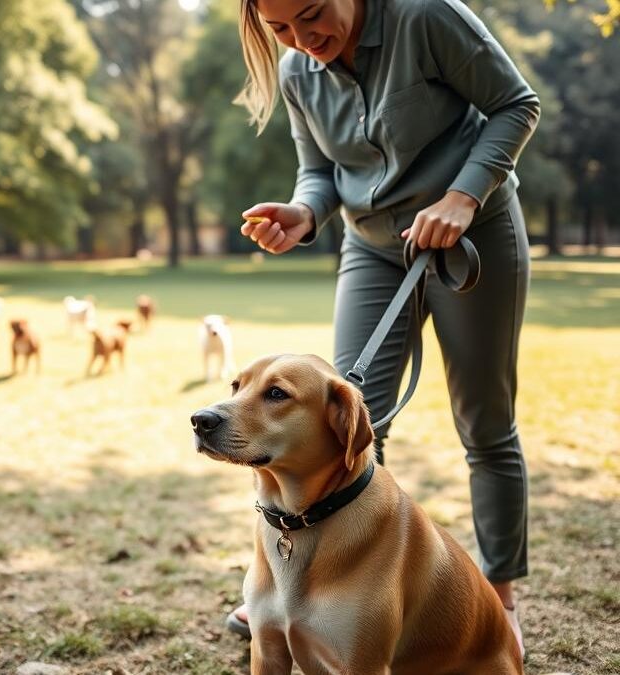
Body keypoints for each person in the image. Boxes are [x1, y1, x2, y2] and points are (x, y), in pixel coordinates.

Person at [230, 0, 540, 658]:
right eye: (280, 29)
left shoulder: (424, 16)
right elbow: (320, 172)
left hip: (471, 236)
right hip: (372, 247)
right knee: (349, 416)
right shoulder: (297, 72)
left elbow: (516, 105)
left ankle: (501, 597)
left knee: (484, 421)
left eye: (313, 14)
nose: (302, 39)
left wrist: (463, 195)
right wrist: (304, 213)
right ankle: (310, 587)